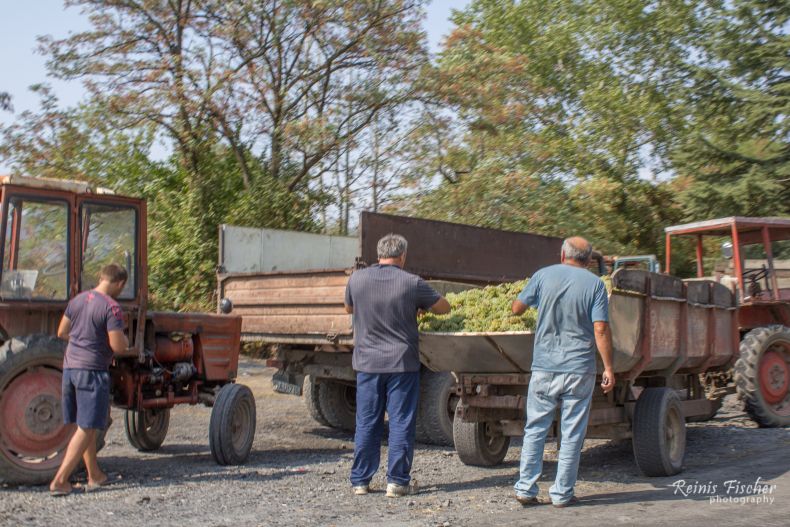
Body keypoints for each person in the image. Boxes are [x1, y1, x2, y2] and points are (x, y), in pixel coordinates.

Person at [344, 234, 451, 498]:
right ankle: (397, 482)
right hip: (401, 364)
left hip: (368, 363)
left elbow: (349, 308)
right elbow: (444, 308)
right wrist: (415, 307)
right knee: (401, 421)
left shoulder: (356, 279)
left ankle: (360, 481)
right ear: (402, 256)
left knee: (367, 421)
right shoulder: (412, 282)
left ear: (378, 254)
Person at [511, 237, 615, 508]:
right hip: (579, 369)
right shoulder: (595, 285)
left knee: (535, 428)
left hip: (544, 367)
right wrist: (608, 368)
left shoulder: (542, 275)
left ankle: (526, 489)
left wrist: (528, 304)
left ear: (562, 255)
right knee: (571, 434)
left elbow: (517, 308)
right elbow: (600, 328)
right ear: (589, 260)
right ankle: (561, 494)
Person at [49, 264, 135, 496]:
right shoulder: (111, 307)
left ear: (101, 277)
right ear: (120, 283)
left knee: (84, 424)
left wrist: (82, 341)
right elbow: (118, 346)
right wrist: (126, 342)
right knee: (88, 426)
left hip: (70, 368)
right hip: (92, 370)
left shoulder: (77, 300)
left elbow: (62, 332)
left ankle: (94, 474)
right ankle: (60, 481)